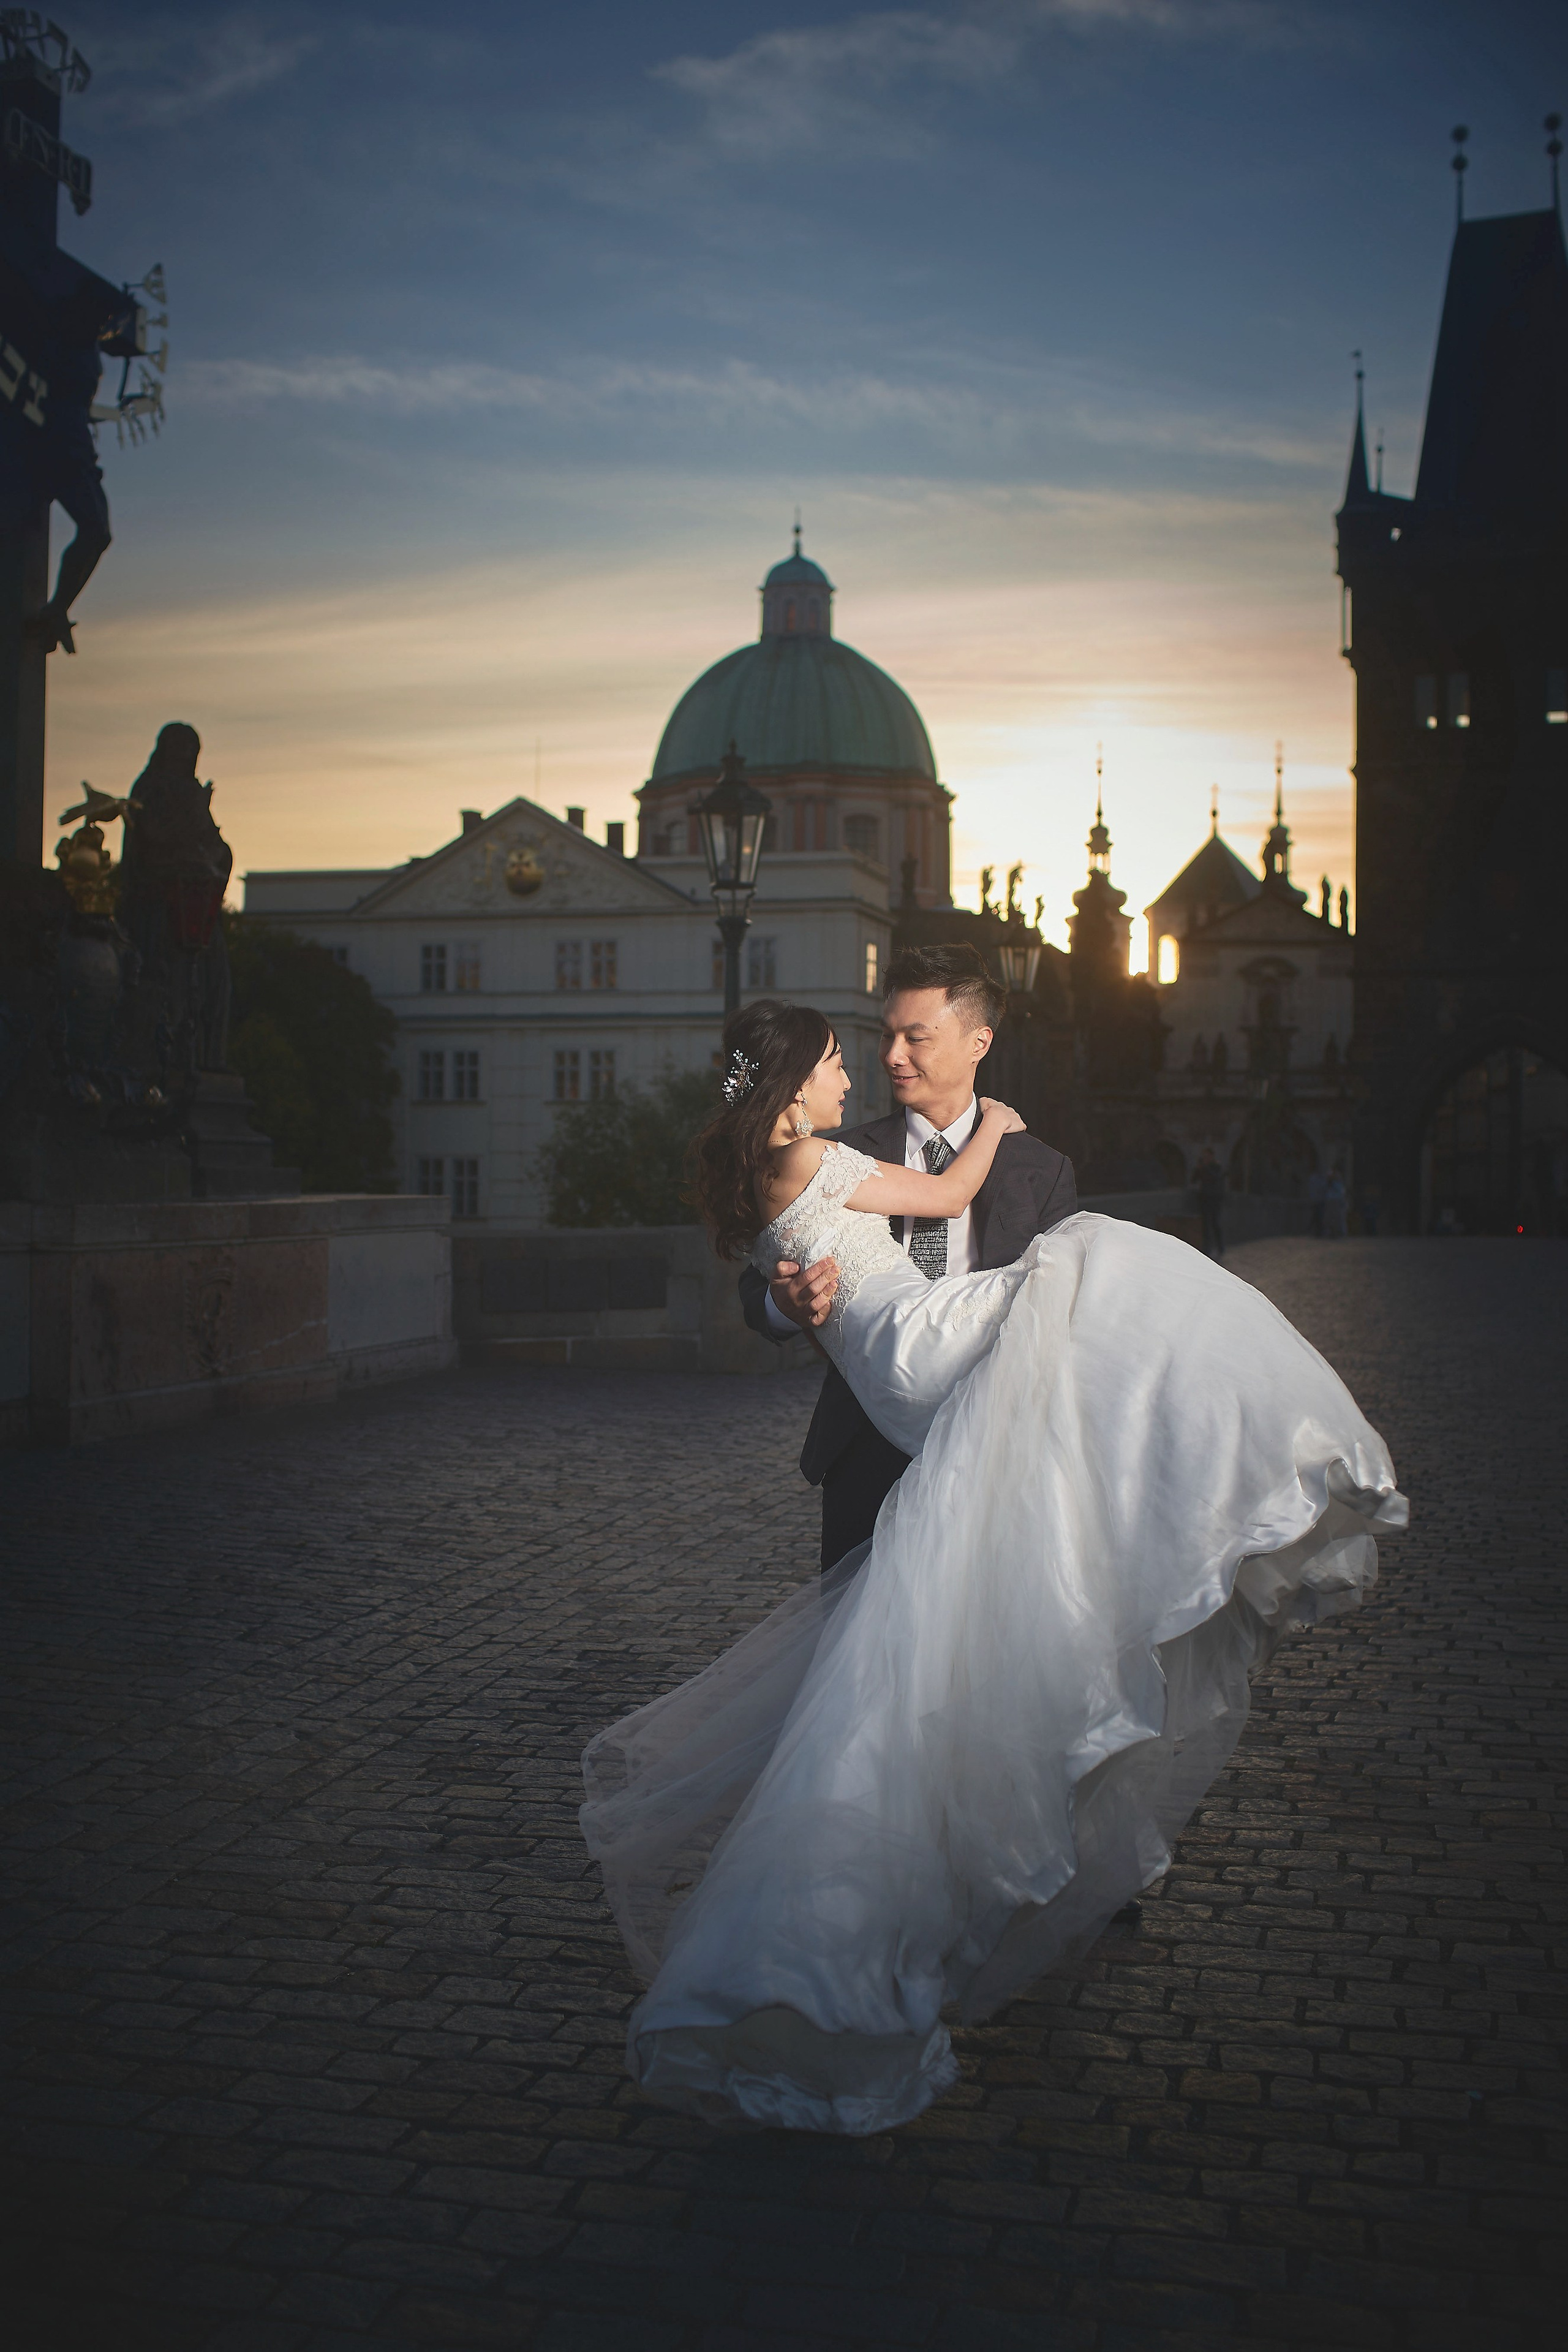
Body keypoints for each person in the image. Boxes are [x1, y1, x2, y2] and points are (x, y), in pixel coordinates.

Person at [580, 1000, 1406, 2136]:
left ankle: (1030, 1824)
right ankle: (1270, 1467)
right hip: (915, 1365)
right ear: (793, 1087)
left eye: (904, 1034)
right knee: (1105, 1263)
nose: (868, 1064)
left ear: (974, 1030)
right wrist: (988, 1134)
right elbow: (944, 1199)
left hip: (914, 1374)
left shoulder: (780, 1167)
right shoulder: (839, 1147)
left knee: (1089, 1287)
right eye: (839, 1057)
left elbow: (844, 1233)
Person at [739, 943, 1077, 1570]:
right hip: (865, 1447)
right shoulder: (834, 1150)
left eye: (915, 1037)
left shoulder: (1042, 1169)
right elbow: (753, 1285)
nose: (892, 1055)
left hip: (996, 1444)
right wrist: (782, 1302)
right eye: (887, 1034)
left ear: (978, 1042)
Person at [1194, 1144, 1226, 1260]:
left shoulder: (1217, 1167)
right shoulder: (1203, 1167)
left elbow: (1216, 1178)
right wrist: (1199, 1168)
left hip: (1215, 1199)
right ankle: (1207, 1249)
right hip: (1204, 1199)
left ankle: (1220, 1248)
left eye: (1207, 1156)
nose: (1206, 1159)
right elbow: (1194, 1179)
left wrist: (1206, 1167)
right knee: (1205, 1225)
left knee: (1215, 1224)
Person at [1324, 1167, 1349, 1239]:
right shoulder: (1328, 1185)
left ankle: (1341, 1233)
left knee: (1339, 1218)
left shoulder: (1338, 1184)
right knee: (1329, 1219)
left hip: (1337, 1202)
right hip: (1330, 1202)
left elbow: (1341, 1193)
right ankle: (1330, 1232)